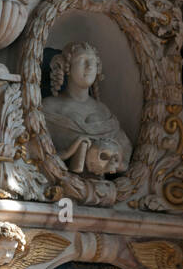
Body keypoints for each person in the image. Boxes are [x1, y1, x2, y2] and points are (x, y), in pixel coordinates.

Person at [41, 41, 131, 175]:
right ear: (66, 66)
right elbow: (38, 150)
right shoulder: (49, 108)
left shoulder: (104, 111)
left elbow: (125, 153)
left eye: (93, 62)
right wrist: (68, 152)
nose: (89, 67)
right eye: (82, 60)